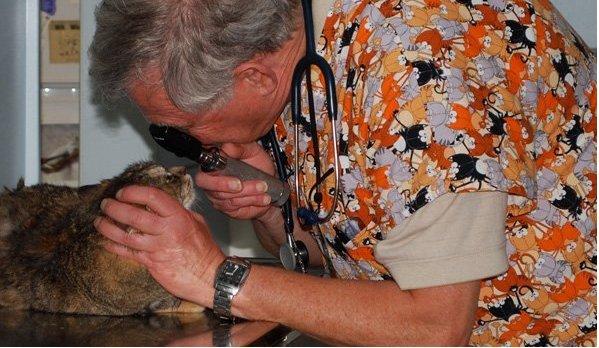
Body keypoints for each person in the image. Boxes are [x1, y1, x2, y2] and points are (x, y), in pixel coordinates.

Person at [90, 0, 596, 345]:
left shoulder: (420, 70)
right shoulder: (295, 49)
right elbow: (338, 257)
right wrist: (274, 208)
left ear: (254, 77)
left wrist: (218, 277)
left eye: (182, 130)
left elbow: (434, 329)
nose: (196, 148)